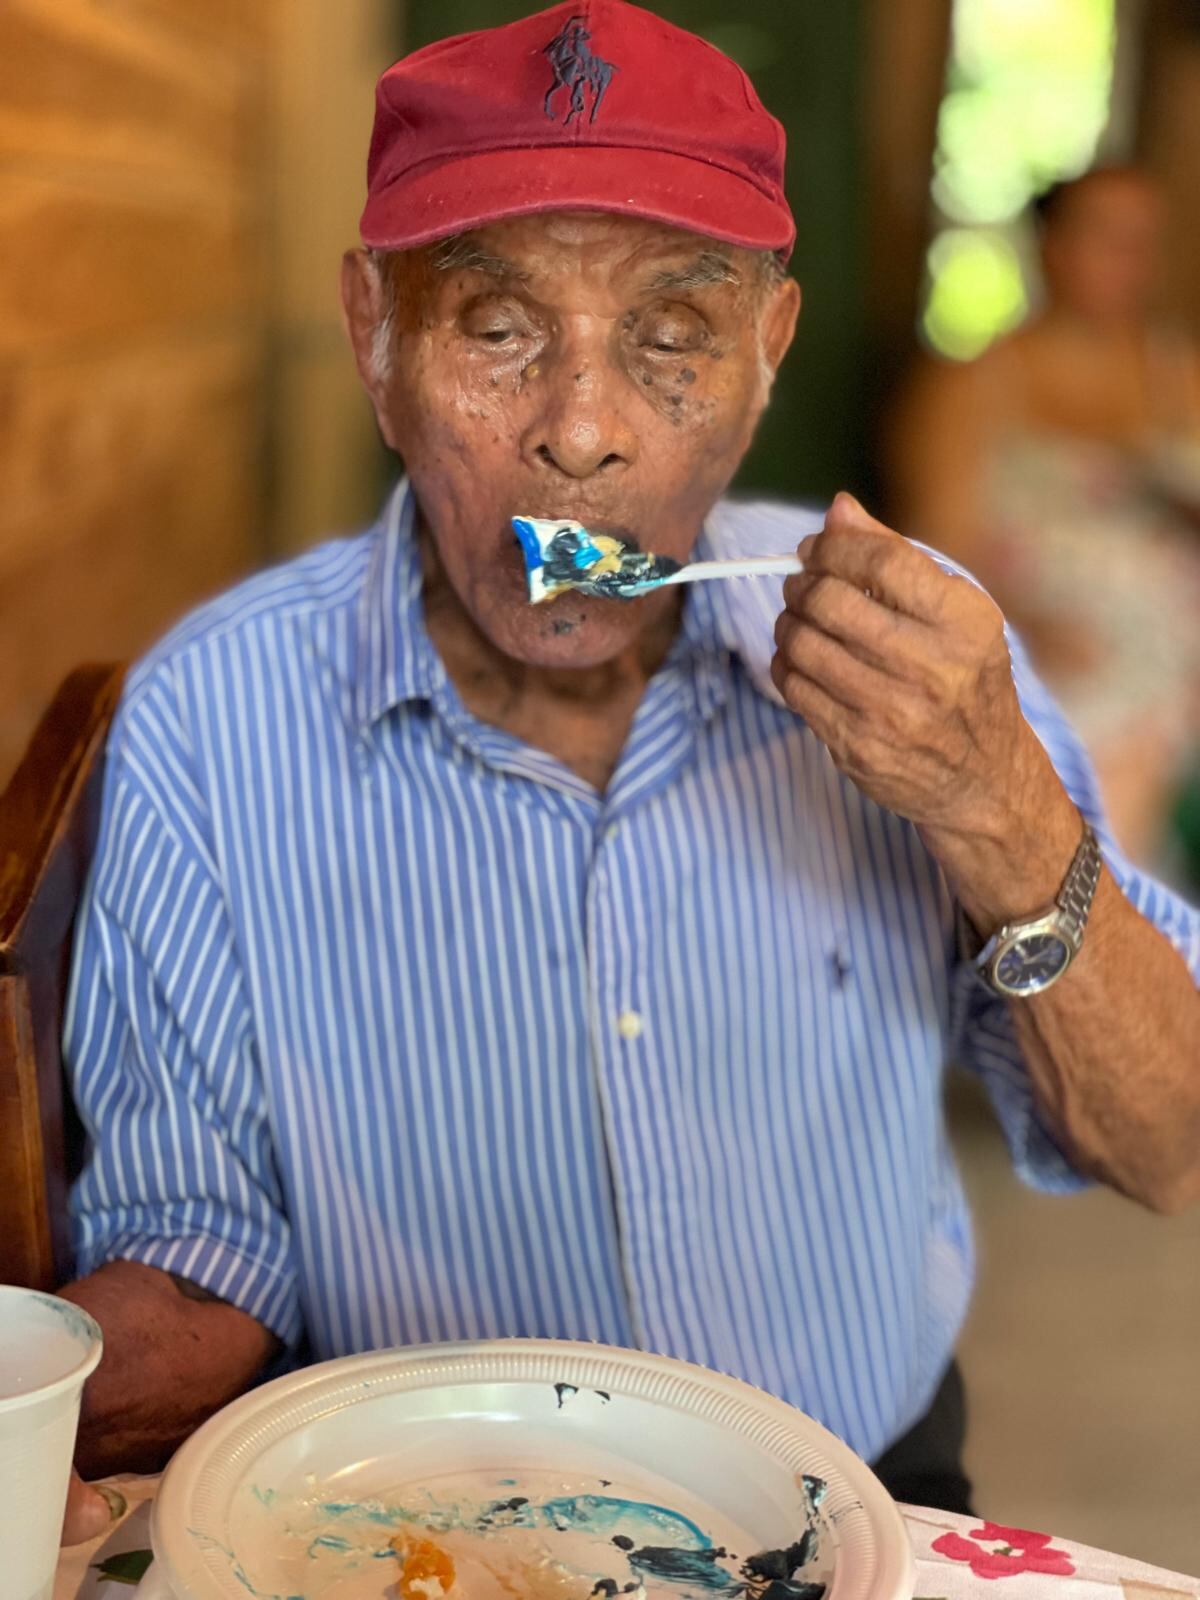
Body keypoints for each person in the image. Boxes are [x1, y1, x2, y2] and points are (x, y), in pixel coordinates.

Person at [60, 0, 1200, 1545]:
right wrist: (49, 1393)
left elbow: (1166, 1143)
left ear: (768, 351)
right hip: (418, 1542)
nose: (584, 432)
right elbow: (202, 1253)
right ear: (373, 336)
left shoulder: (919, 666)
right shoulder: (212, 718)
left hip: (868, 1500)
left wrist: (996, 807)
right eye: (495, 330)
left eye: (671, 340)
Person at [890, 166, 1200, 868]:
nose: (1128, 260)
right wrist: (1030, 625)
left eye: (1143, 241)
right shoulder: (971, 385)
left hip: (1174, 660)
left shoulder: (1178, 376)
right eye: (1106, 237)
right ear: (1051, 246)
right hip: (1046, 656)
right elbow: (935, 553)